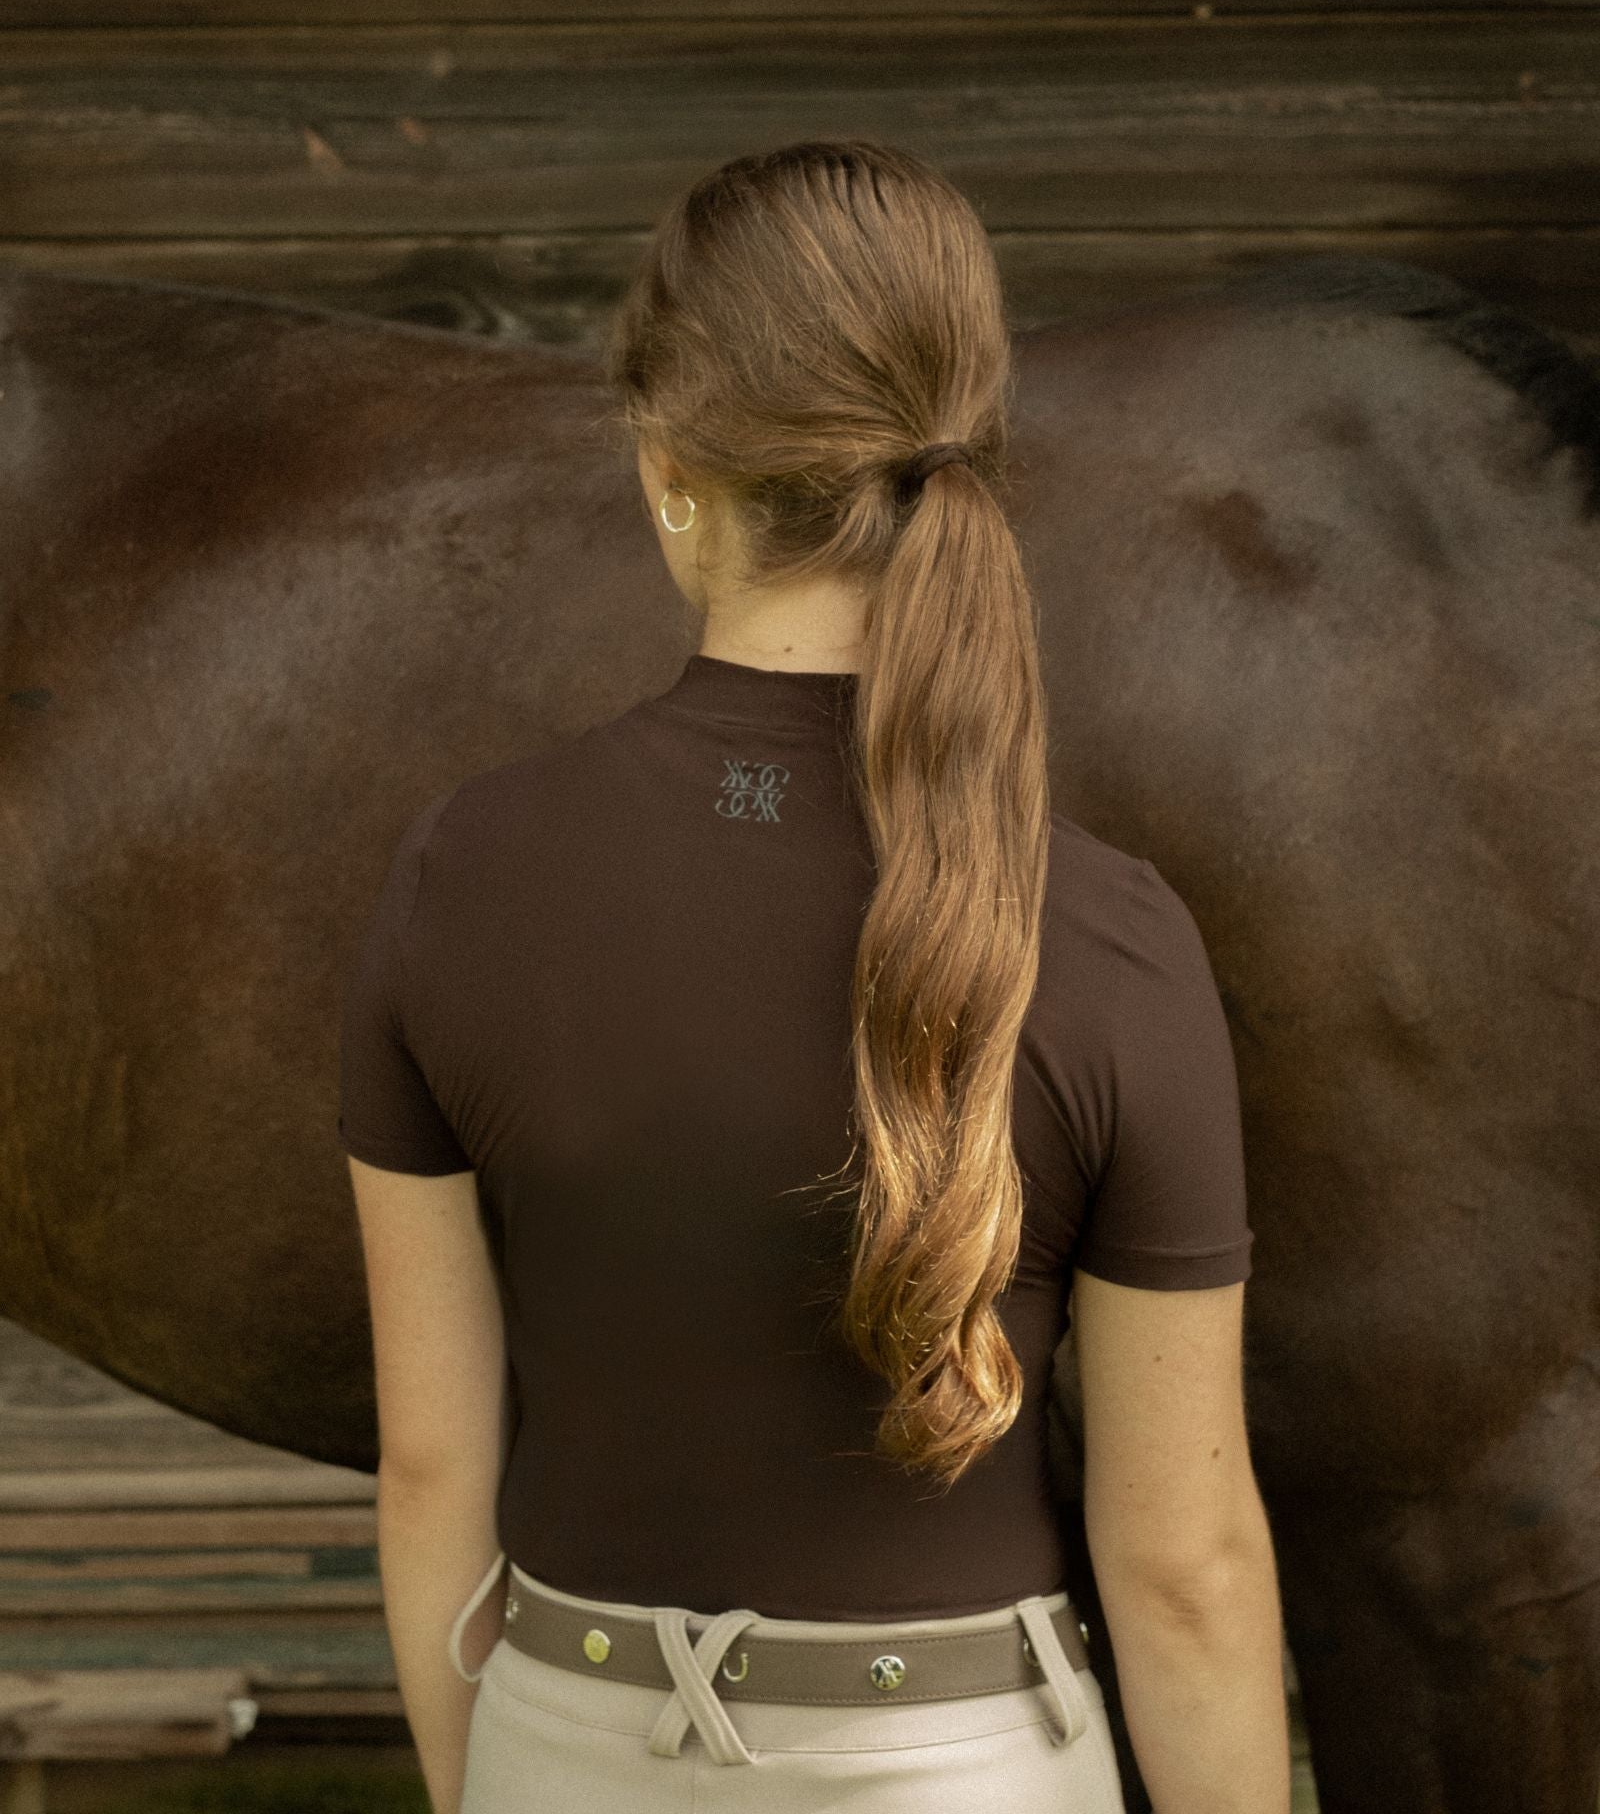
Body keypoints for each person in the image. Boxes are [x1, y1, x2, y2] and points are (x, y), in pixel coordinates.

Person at [338, 138, 1292, 1813]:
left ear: (668, 467)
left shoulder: (457, 879)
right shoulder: (1117, 944)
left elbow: (429, 1472)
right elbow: (1187, 1567)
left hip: (569, 1746)